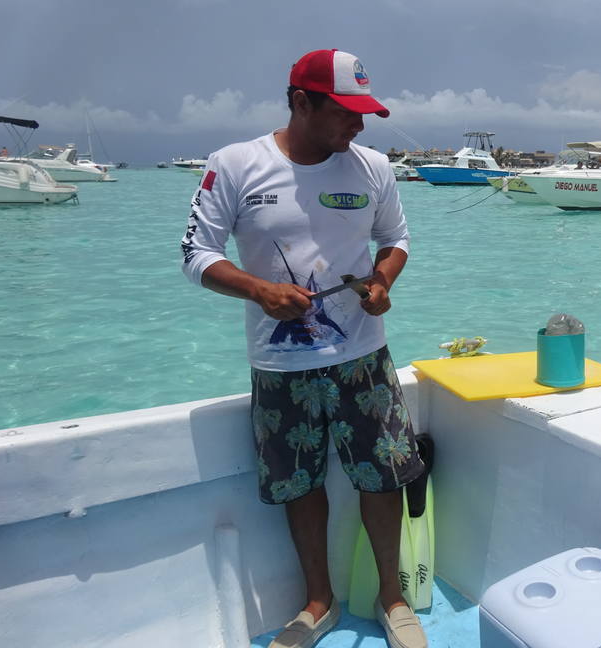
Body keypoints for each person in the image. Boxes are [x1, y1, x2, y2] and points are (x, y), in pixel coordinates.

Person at [180, 48, 427, 648]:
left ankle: (392, 599)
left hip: (364, 357)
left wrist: (382, 282)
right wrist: (259, 290)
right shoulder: (235, 165)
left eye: (364, 113)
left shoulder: (372, 168)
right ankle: (319, 602)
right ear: (300, 102)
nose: (360, 125)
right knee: (299, 483)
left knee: (382, 477)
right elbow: (196, 256)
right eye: (346, 112)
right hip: (280, 364)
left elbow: (395, 239)